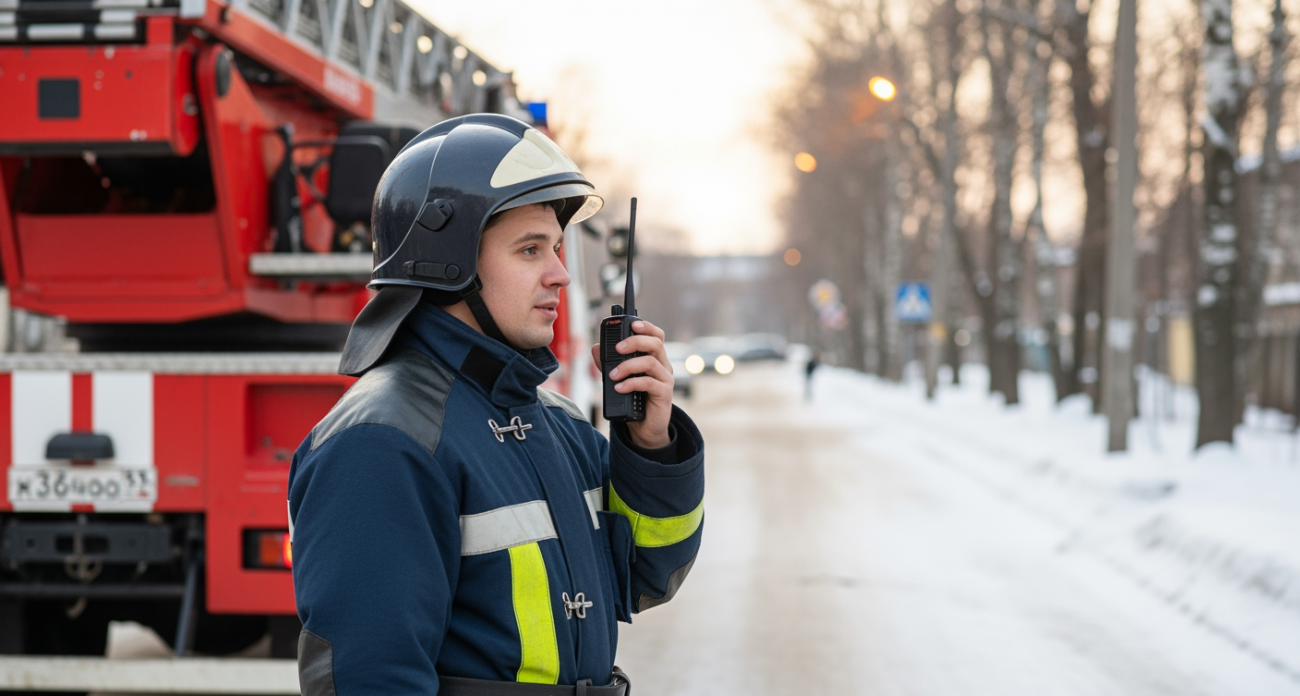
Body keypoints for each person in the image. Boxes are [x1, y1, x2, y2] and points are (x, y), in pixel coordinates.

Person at [287, 114, 704, 696]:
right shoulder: (382, 443)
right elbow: (372, 677)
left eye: (557, 248)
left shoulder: (554, 423)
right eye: (531, 249)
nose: (560, 274)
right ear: (446, 265)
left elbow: (643, 577)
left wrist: (651, 447)